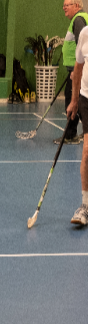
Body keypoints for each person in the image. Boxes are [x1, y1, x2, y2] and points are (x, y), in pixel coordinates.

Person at [56, 0, 87, 145]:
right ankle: (72, 134)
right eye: (63, 5)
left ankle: (70, 135)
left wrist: (77, 71)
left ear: (76, 5)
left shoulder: (79, 20)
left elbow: (82, 45)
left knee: (72, 102)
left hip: (77, 71)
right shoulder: (78, 19)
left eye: (66, 5)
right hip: (74, 70)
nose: (64, 8)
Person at [67, 25, 88, 227]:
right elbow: (79, 67)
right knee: (87, 152)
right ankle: (85, 205)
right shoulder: (85, 34)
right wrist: (74, 100)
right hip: (86, 99)